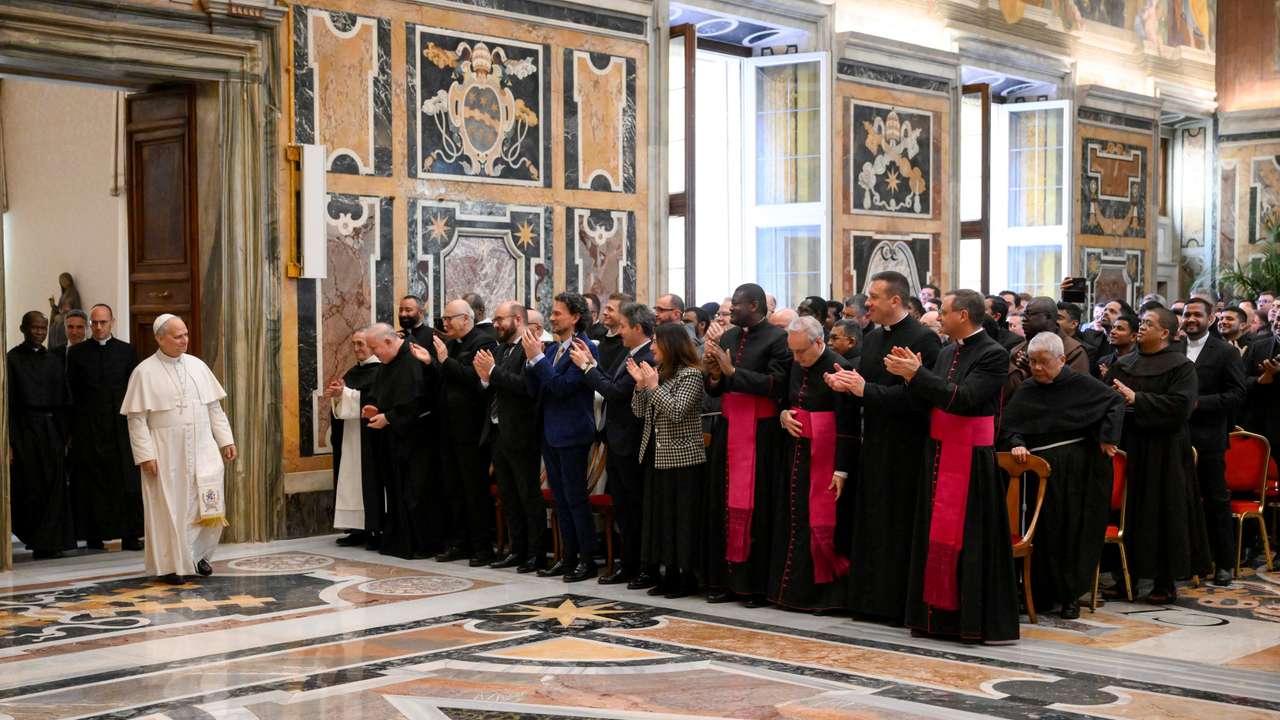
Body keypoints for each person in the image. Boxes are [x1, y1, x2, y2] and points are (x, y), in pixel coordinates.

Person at [885, 289, 1018, 643]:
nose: (939, 318)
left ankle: (970, 622)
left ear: (963, 314)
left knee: (970, 541)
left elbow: (965, 399)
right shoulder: (946, 352)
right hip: (939, 453)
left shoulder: (994, 354)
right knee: (934, 535)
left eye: (943, 312)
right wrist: (891, 381)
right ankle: (934, 619)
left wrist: (918, 375)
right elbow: (927, 396)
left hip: (971, 461)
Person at [826, 271, 941, 625]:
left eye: (874, 297)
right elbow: (864, 383)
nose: (868, 303)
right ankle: (869, 600)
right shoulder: (873, 339)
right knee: (872, 522)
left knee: (898, 524)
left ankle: (895, 603)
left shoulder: (924, 339)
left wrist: (864, 391)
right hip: (873, 443)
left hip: (907, 447)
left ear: (896, 300)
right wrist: (843, 381)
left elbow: (920, 400)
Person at [1002, 332, 1124, 619]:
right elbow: (1009, 426)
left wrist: (1107, 438)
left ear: (1062, 359)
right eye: (1032, 362)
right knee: (1044, 534)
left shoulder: (1082, 385)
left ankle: (1070, 595)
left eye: (1044, 362)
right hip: (1039, 474)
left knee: (1072, 533)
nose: (1037, 368)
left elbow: (1114, 403)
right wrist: (1017, 443)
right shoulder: (1028, 389)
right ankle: (1041, 593)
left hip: (1079, 473)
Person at [1104, 307, 1211, 603]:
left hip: (1164, 450)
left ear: (1165, 332)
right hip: (1129, 446)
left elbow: (1181, 407)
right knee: (1128, 510)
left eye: (1148, 324)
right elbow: (1106, 401)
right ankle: (1126, 576)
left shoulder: (1181, 367)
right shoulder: (1124, 364)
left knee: (1163, 512)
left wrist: (1137, 399)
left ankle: (1164, 581)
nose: (1141, 327)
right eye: (1141, 323)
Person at [122, 314, 235, 583]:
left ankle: (199, 557)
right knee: (170, 507)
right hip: (165, 451)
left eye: (185, 334)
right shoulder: (143, 372)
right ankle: (172, 564)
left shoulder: (198, 366)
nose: (184, 340)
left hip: (203, 446)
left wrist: (226, 440)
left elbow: (214, 408)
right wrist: (145, 455)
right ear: (160, 338)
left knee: (205, 503)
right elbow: (136, 419)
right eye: (177, 336)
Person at [703, 283, 791, 607]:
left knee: (757, 508)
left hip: (761, 434)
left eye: (735, 306)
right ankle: (725, 581)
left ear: (753, 306)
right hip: (729, 429)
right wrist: (713, 375)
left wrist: (733, 371)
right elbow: (716, 389)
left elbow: (777, 385)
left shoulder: (777, 339)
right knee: (722, 504)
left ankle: (753, 586)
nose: (730, 312)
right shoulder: (728, 337)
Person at [769, 316, 853, 611]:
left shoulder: (839, 367)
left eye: (801, 351)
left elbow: (848, 424)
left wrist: (841, 469)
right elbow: (785, 400)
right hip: (797, 453)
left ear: (819, 343)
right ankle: (791, 593)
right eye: (792, 352)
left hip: (827, 458)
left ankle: (824, 597)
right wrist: (783, 416)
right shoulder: (796, 363)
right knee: (795, 520)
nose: (796, 358)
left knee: (821, 522)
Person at [575, 302, 655, 586]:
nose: (618, 331)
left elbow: (615, 392)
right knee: (623, 508)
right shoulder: (629, 353)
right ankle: (627, 564)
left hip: (632, 443)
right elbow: (610, 381)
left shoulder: (649, 356)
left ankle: (640, 566)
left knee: (634, 508)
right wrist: (594, 366)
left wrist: (586, 368)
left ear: (637, 327)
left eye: (622, 326)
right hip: (617, 441)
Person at [523, 292, 600, 582]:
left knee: (575, 499)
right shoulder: (554, 349)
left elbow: (562, 388)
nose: (552, 318)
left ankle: (587, 559)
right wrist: (532, 362)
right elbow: (538, 390)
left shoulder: (585, 348)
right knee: (560, 500)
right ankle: (567, 557)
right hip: (551, 432)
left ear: (575, 317)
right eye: (552, 313)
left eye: (558, 313)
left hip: (572, 433)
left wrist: (538, 359)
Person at [626, 322, 706, 598]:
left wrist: (653, 386)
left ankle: (685, 576)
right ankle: (667, 572)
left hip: (682, 459)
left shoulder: (691, 375)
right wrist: (639, 386)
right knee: (660, 519)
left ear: (670, 345)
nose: (651, 347)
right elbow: (638, 412)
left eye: (656, 342)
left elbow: (677, 411)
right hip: (655, 454)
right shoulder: (659, 373)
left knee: (680, 519)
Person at [66, 304, 142, 552]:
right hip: (89, 428)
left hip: (119, 427)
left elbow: (134, 388)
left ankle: (131, 535)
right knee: (91, 483)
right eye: (94, 323)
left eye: (103, 323)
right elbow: (72, 390)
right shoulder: (77, 353)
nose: (98, 327)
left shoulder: (126, 351)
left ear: (112, 323)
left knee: (125, 482)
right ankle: (93, 536)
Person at [475, 301, 544, 572]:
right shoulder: (501, 349)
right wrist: (484, 378)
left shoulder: (531, 347)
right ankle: (517, 549)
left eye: (500, 319)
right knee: (508, 495)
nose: (495, 324)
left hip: (522, 433)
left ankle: (535, 554)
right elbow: (494, 388)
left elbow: (527, 388)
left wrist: (492, 372)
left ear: (517, 319)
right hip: (498, 432)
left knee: (528, 495)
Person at [1182, 298, 1246, 587]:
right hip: (1177, 437)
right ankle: (1189, 560)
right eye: (1187, 314)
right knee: (1181, 501)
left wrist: (1198, 403)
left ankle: (1224, 563)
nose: (1191, 319)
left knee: (1216, 500)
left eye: (1197, 314)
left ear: (1210, 319)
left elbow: (1236, 394)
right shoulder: (1172, 349)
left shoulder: (1224, 352)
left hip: (1209, 438)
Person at [432, 298, 499, 565]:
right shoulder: (450, 344)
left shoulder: (483, 342)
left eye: (449, 318)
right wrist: (433, 362)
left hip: (471, 431)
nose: (444, 323)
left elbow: (475, 379)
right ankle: (459, 542)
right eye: (444, 319)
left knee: (474, 490)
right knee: (453, 488)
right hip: (448, 428)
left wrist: (445, 361)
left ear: (466, 319)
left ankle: (482, 546)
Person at [367, 322, 440, 559]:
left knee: (416, 492)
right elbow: (385, 393)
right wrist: (375, 407)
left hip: (417, 438)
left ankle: (421, 544)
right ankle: (398, 540)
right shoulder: (389, 362)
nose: (374, 354)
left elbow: (418, 401)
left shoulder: (413, 357)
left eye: (375, 348)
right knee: (396, 489)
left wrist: (388, 417)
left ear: (388, 342)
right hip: (395, 438)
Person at [8, 311, 74, 559]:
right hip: (25, 431)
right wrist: (11, 441)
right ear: (23, 328)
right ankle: (35, 538)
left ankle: (51, 542)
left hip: (51, 430)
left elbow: (64, 398)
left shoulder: (54, 360)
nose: (39, 332)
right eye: (35, 328)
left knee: (54, 487)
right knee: (30, 486)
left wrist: (65, 432)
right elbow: (10, 404)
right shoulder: (12, 359)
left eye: (43, 328)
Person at [322, 328, 380, 548]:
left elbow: (372, 399)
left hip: (370, 438)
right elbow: (345, 400)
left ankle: (375, 529)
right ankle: (357, 529)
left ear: (372, 345)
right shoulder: (352, 372)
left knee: (369, 482)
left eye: (361, 344)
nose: (356, 349)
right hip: (351, 437)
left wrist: (344, 395)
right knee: (351, 481)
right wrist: (338, 396)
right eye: (354, 344)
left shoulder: (380, 370)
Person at [1006, 297, 1090, 399]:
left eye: (1029, 314)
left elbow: (1076, 391)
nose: (1024, 319)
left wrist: (1034, 372)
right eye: (1024, 314)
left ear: (1048, 317)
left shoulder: (1074, 351)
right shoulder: (1017, 350)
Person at [596, 293, 632, 373]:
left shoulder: (627, 344)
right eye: (605, 308)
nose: (604, 312)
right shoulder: (601, 336)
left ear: (623, 314)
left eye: (610, 309)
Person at [48, 272, 82, 351]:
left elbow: (77, 309)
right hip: (62, 317)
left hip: (69, 318)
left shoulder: (74, 293)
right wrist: (53, 305)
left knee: (60, 327)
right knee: (53, 328)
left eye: (64, 280)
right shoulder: (63, 295)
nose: (63, 283)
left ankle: (60, 348)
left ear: (69, 280)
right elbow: (59, 310)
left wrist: (67, 315)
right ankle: (53, 349)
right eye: (61, 281)